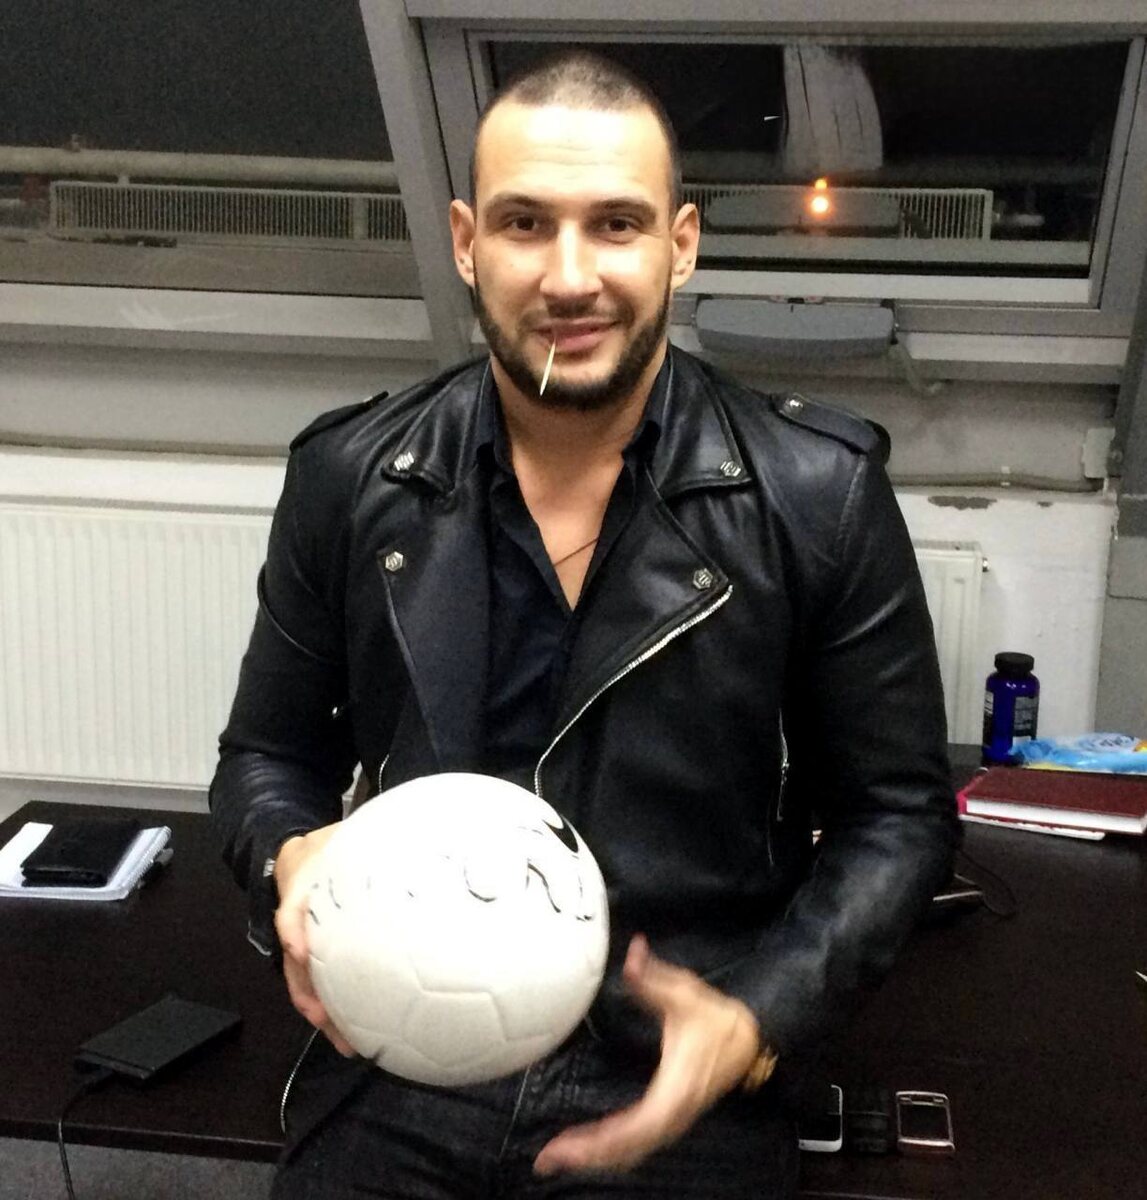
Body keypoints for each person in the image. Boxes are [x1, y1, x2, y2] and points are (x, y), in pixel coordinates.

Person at [210, 49, 958, 1200]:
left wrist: (758, 1019)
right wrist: (285, 854)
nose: (570, 277)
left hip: (676, 1063)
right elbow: (265, 757)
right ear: (466, 242)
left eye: (616, 225)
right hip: (406, 1048)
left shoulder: (817, 495)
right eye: (525, 224)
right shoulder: (349, 478)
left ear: (681, 244)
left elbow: (896, 816)